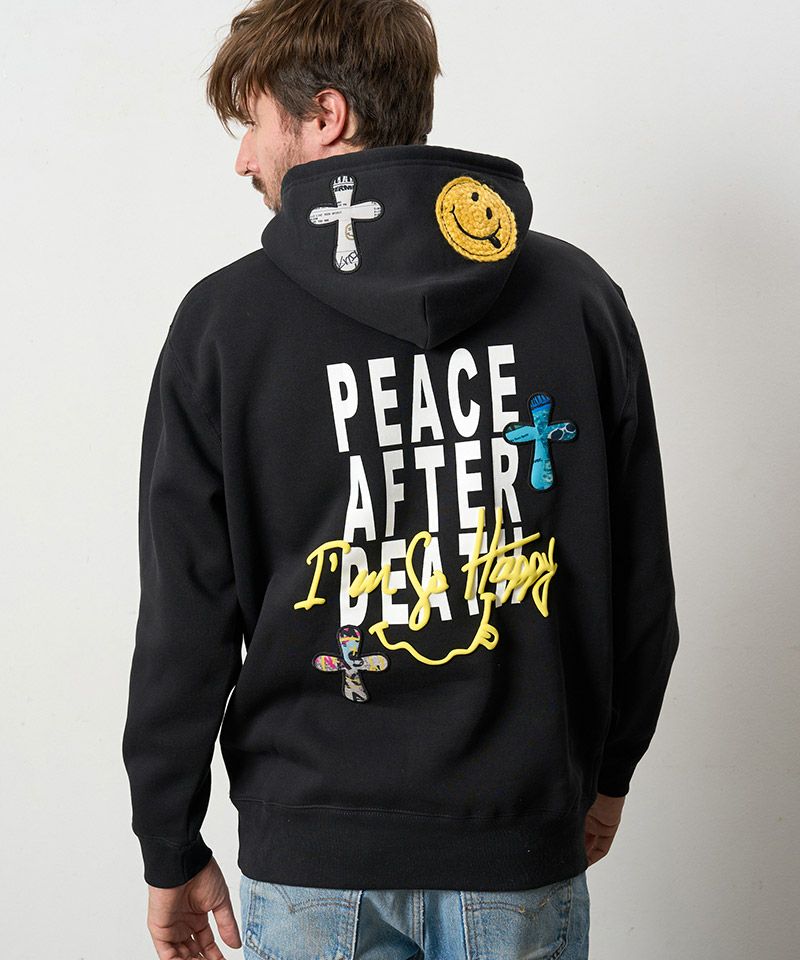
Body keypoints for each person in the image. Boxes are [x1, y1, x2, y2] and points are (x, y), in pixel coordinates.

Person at [121, 1, 680, 958]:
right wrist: (607, 772)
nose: (244, 159)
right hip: (518, 839)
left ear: (325, 115)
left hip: (313, 856)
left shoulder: (224, 325)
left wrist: (168, 842)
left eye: (253, 122)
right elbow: (637, 587)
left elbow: (186, 618)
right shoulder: (577, 299)